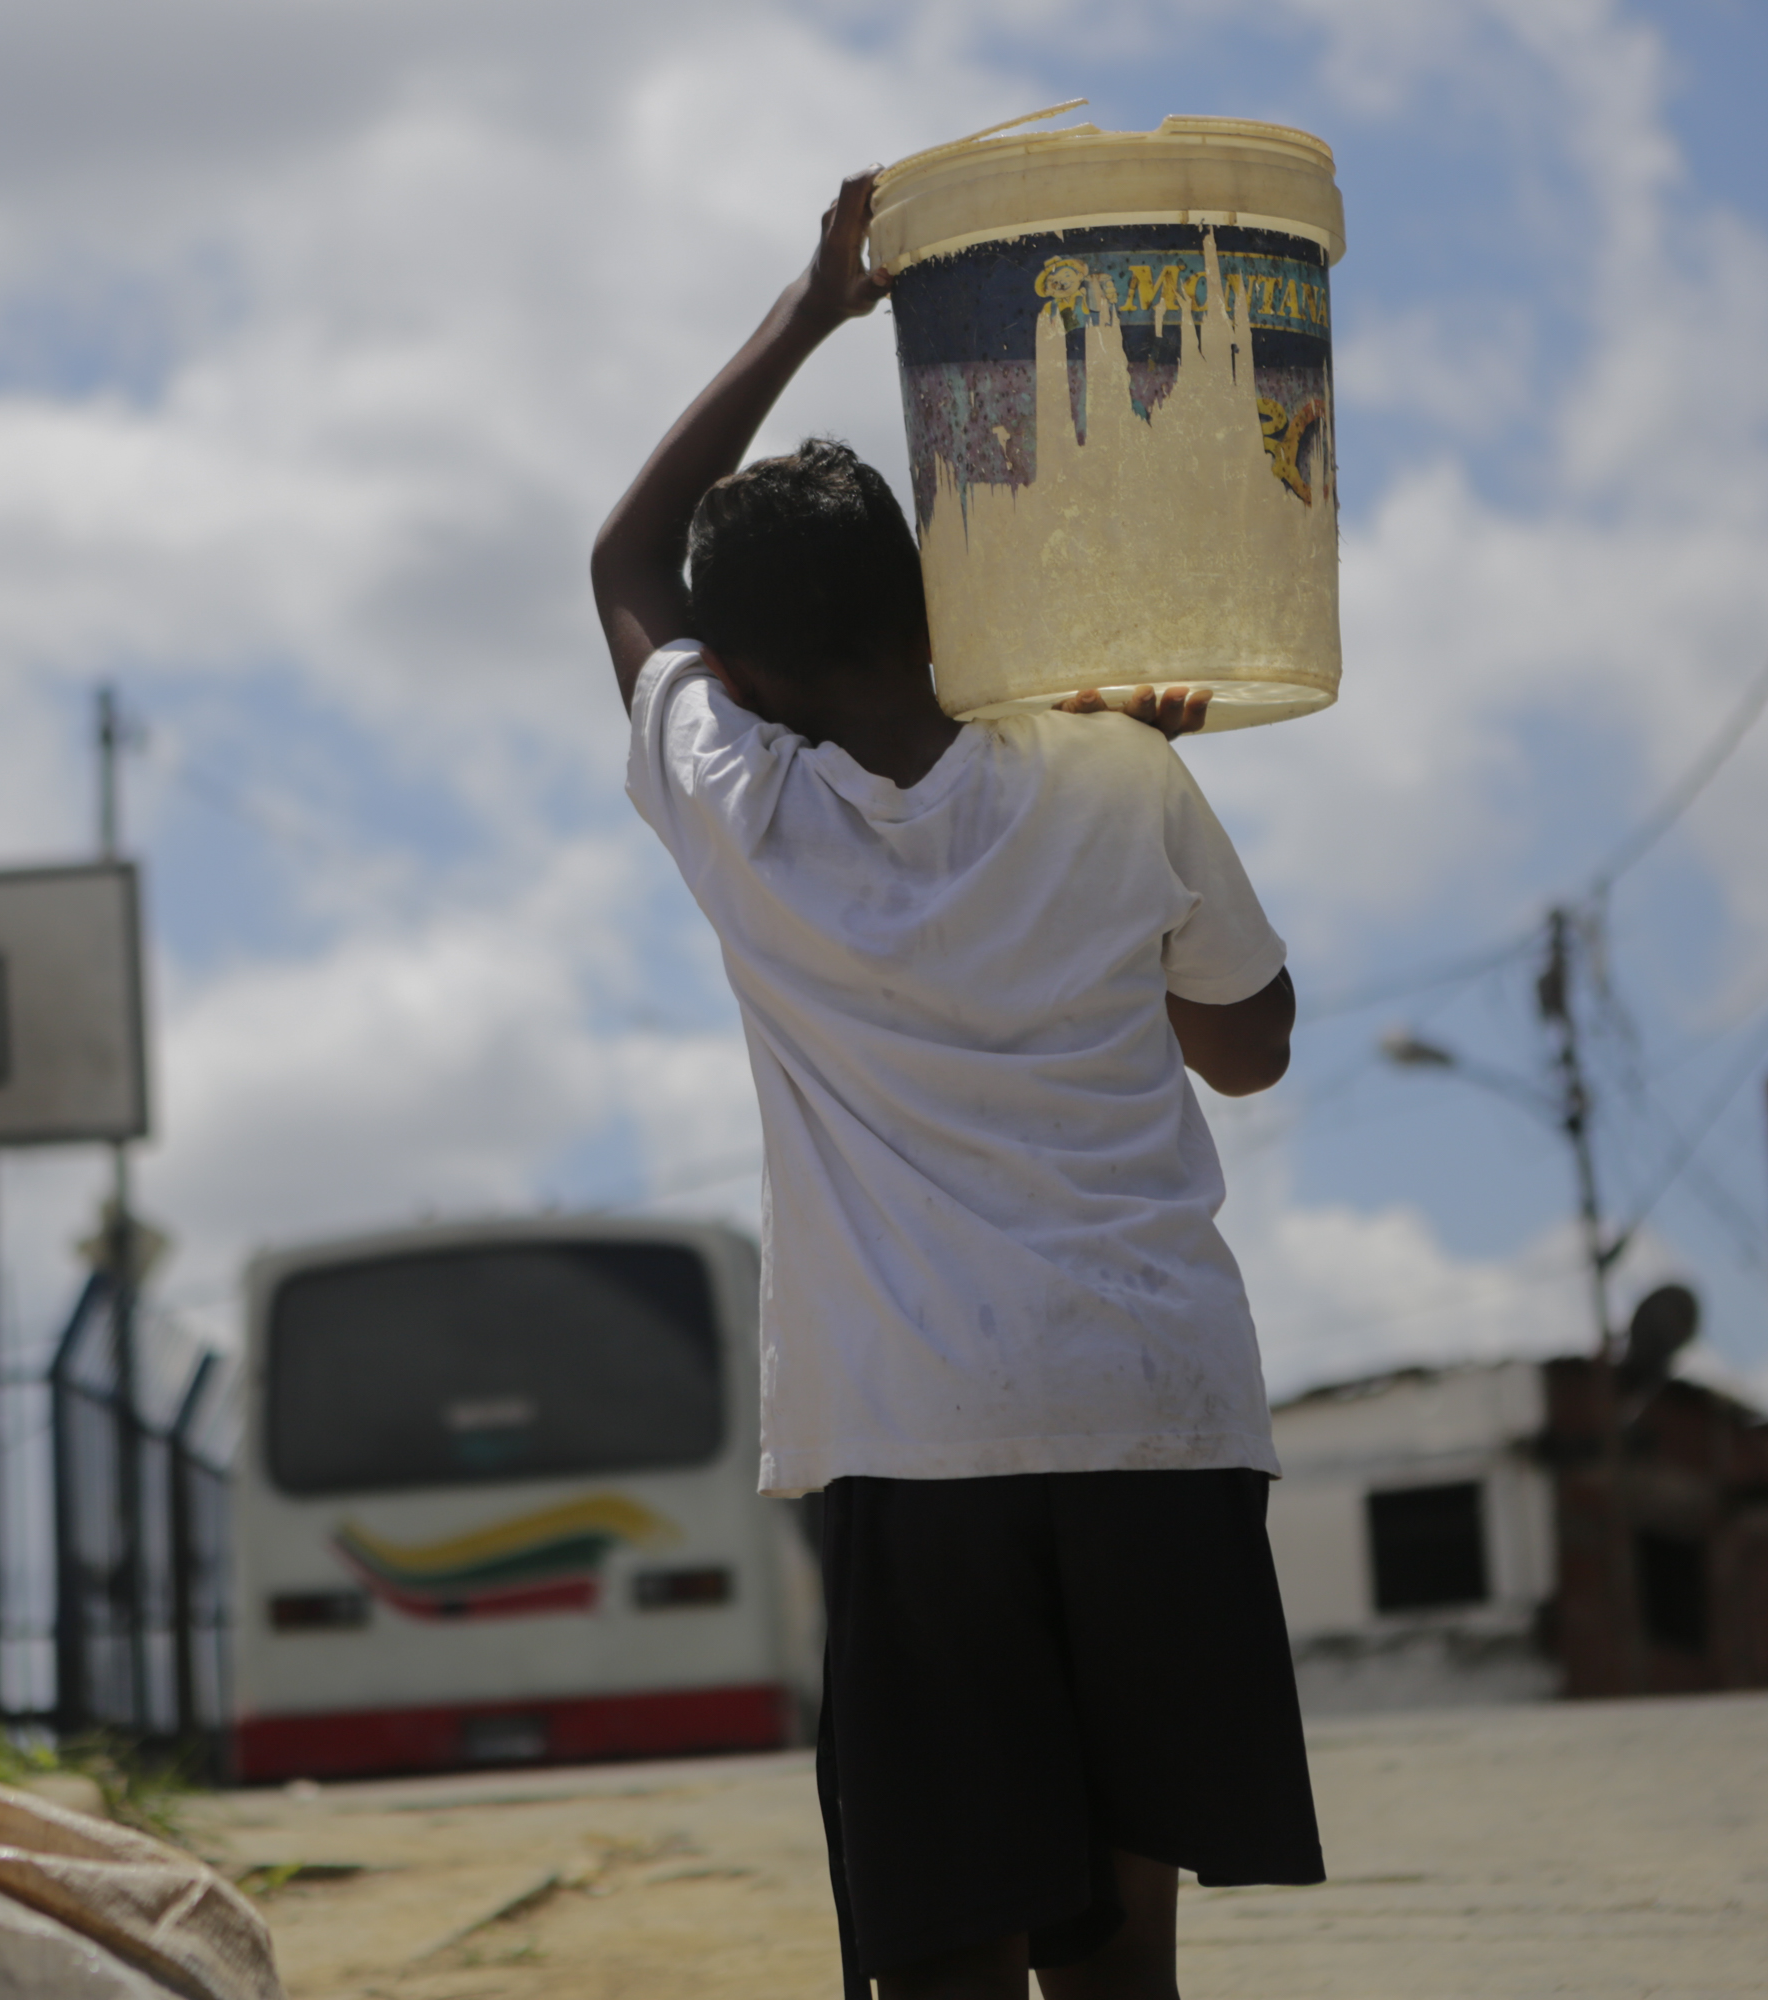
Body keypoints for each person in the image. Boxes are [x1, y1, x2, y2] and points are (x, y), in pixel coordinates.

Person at [589, 169, 1322, 2000]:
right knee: (1120, 1964)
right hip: (1153, 1413)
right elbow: (1251, 1045)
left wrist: (816, 301)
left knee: (943, 1960)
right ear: (940, 584)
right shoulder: (1108, 767)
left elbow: (621, 563)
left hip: (922, 1446)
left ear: (743, 672)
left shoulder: (742, 809)